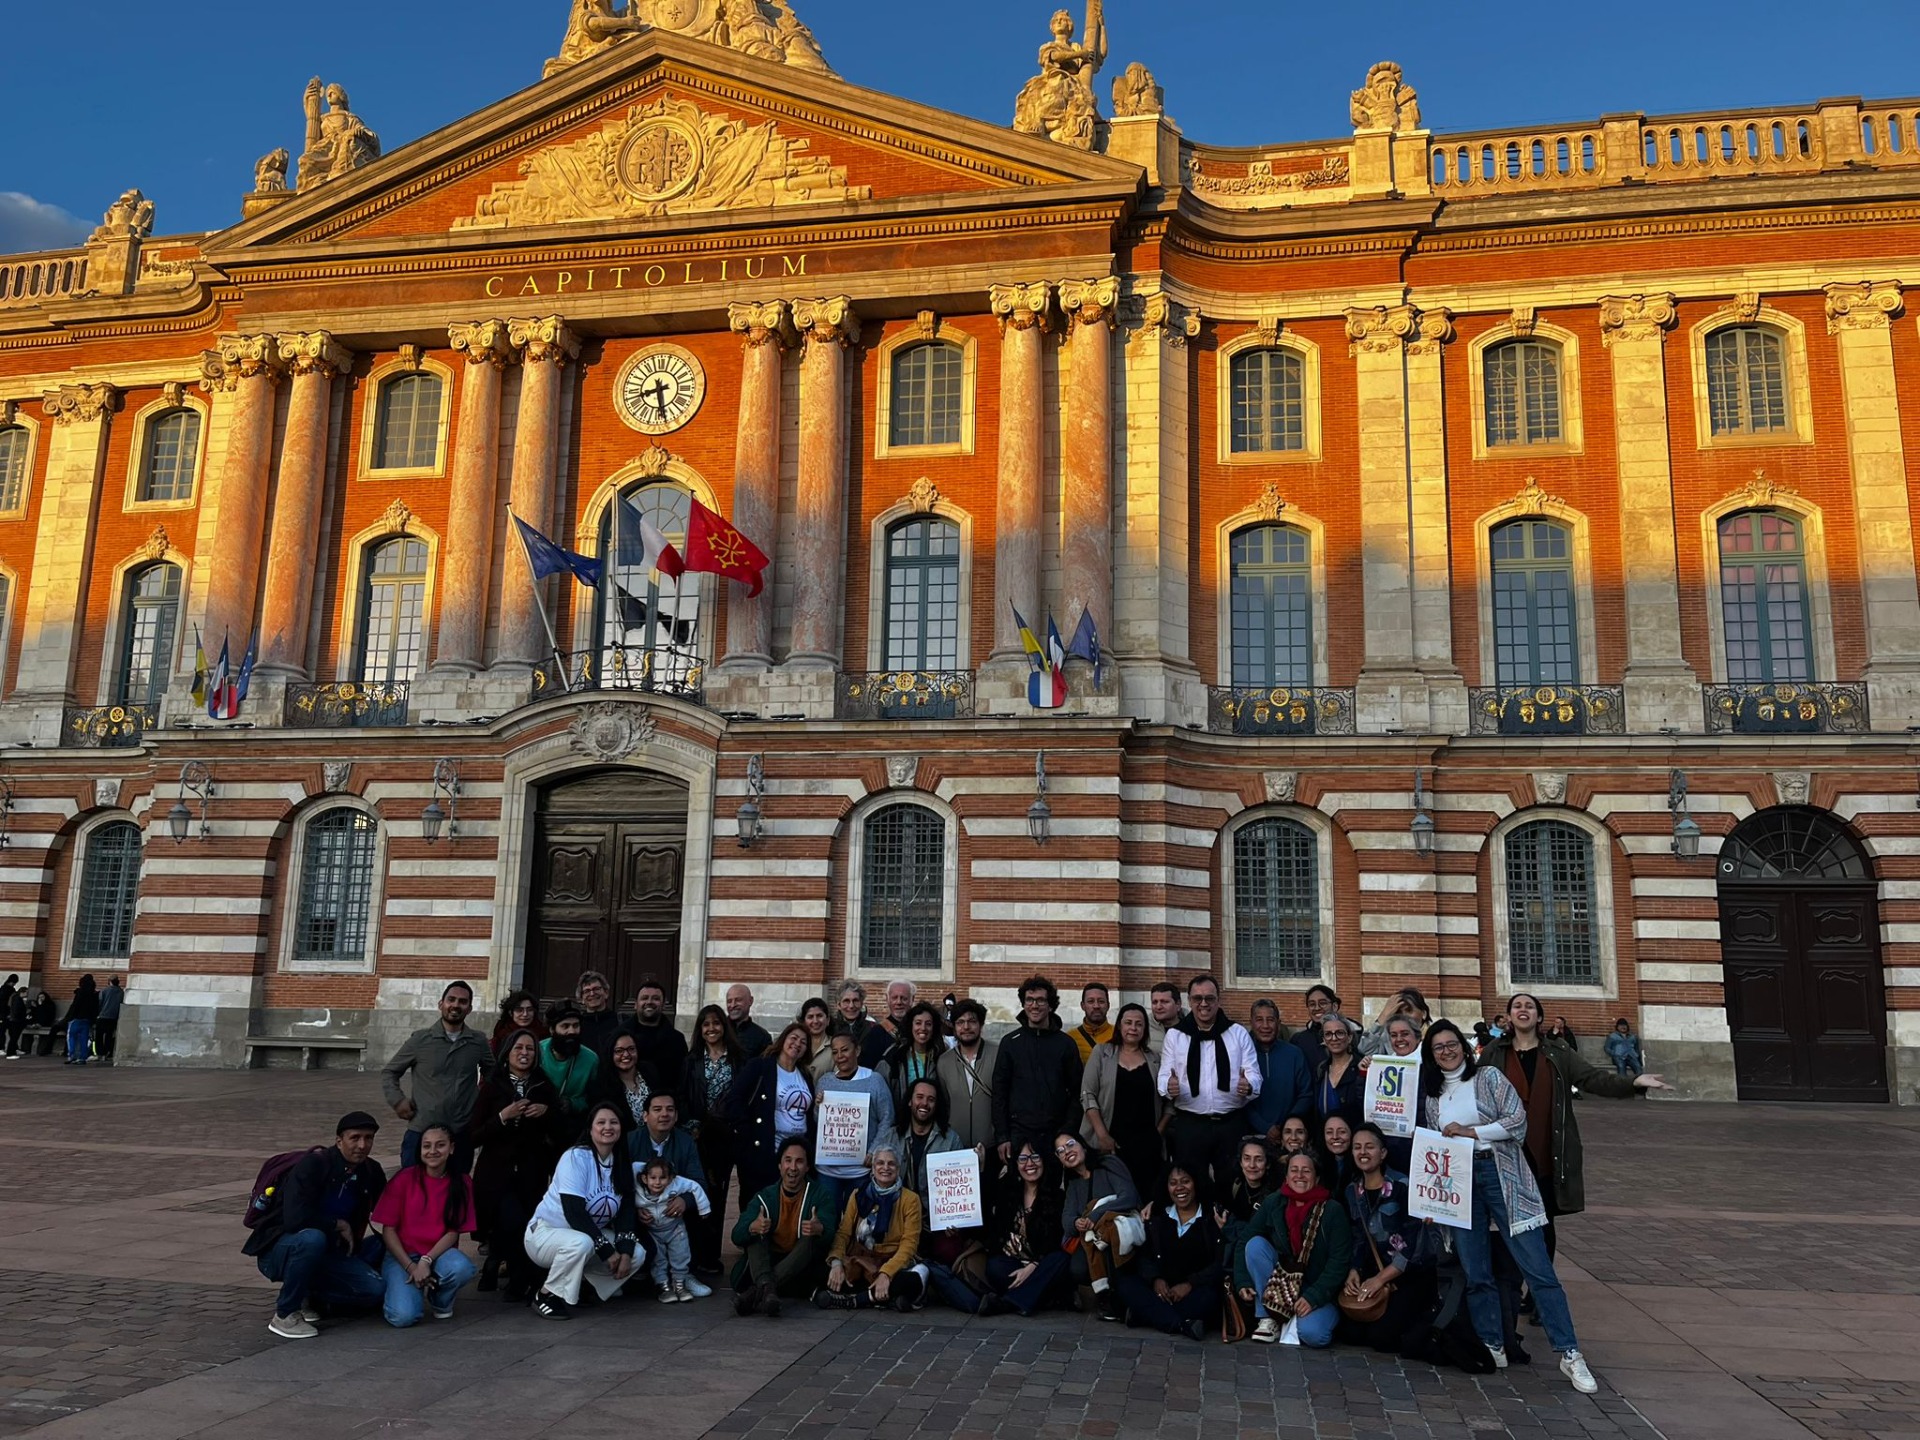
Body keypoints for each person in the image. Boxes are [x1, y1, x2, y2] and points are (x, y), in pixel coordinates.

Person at [1419, 1020, 1599, 1393]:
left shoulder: (1488, 1078)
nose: (1447, 1051)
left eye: (1452, 1044)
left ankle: (1569, 1353)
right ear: (1431, 1056)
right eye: (1438, 1047)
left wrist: (1473, 1132)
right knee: (1476, 1269)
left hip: (1503, 1177)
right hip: (1462, 1185)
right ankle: (1493, 1342)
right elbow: (1438, 1152)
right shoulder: (1433, 1099)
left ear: (1464, 1047)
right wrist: (1433, 1200)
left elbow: (1517, 1123)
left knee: (1537, 1269)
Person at [1479, 992, 1669, 1262]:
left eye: (1530, 1006)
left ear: (1539, 1016)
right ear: (1509, 1016)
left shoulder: (1559, 1052)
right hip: (1506, 1151)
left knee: (1543, 1221)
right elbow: (1474, 1092)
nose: (1523, 1010)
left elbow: (1593, 1078)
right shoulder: (1493, 1053)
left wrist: (1634, 1082)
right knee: (1509, 1222)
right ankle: (1512, 1287)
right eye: (1517, 1006)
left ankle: (1538, 1293)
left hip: (1545, 1149)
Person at [242, 1110, 387, 1339]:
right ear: (339, 1141)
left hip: (331, 1252)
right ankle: (285, 1314)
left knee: (375, 1287)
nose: (362, 1145)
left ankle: (312, 1294)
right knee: (313, 1238)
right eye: (355, 1138)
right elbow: (294, 1219)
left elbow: (388, 1211)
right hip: (283, 1249)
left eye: (368, 1138)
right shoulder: (313, 1165)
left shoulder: (371, 1171)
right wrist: (337, 1224)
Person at [469, 1028, 567, 1302]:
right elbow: (474, 1135)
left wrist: (546, 1113)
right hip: (496, 1172)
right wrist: (503, 1116)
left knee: (524, 1222)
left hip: (531, 1170)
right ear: (508, 1054)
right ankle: (519, 1279)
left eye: (530, 1049)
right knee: (511, 1220)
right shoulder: (492, 1086)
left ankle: (499, 1267)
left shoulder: (543, 1086)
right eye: (518, 1048)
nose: (524, 1054)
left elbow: (561, 1127)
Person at [525, 1101, 648, 1319]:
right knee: (582, 1242)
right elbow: (574, 1212)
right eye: (601, 1122)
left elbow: (626, 1212)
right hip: (545, 1234)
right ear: (590, 1128)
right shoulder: (575, 1157)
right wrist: (607, 1251)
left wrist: (625, 1251)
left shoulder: (620, 1162)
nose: (607, 1127)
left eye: (614, 1122)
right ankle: (546, 1294)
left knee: (637, 1253)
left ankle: (582, 1286)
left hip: (586, 1238)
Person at [1158, 975, 1260, 1202]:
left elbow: (1253, 1073)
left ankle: (1230, 1229)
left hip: (1230, 1122)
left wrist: (1249, 1084)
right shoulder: (1176, 1036)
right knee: (1191, 1182)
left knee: (1233, 1181)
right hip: (1190, 1123)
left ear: (1218, 1000)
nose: (1203, 1004)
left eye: (1209, 998)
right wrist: (1169, 1086)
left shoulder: (1237, 1033)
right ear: (1189, 1001)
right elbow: (1164, 1076)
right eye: (1197, 998)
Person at [1336, 1120, 1434, 1354]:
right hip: (1373, 1271)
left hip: (1405, 1274)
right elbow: (1359, 1236)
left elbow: (1413, 1243)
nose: (1363, 1152)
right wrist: (1354, 1271)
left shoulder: (1403, 1186)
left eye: (1369, 1146)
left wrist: (1380, 1279)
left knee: (1382, 1339)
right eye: (1357, 1147)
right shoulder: (1353, 1191)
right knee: (1349, 1333)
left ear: (1383, 1153)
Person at [1235, 1150, 1349, 1347]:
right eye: (1294, 1170)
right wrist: (1242, 1280)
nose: (1299, 1176)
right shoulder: (1274, 1202)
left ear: (1317, 1177)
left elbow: (1339, 1262)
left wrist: (1313, 1297)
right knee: (1255, 1246)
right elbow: (1245, 1240)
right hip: (1281, 1285)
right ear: (1286, 1176)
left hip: (1317, 1289)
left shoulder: (1333, 1210)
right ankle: (1268, 1317)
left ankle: (1308, 1318)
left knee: (1314, 1335)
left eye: (1306, 1171)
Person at [372, 1123, 478, 1327]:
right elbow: (389, 1230)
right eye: (426, 1146)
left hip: (438, 1254)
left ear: (452, 1148)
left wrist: (426, 1261)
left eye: (440, 1145)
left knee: (461, 1267)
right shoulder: (404, 1178)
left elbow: (453, 1232)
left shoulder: (462, 1182)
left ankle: (440, 1299)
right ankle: (402, 1288)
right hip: (403, 1255)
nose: (432, 1151)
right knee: (403, 1317)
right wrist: (411, 1266)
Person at [380, 980, 490, 1171]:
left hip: (460, 1132)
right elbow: (390, 1072)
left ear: (469, 1008)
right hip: (421, 1130)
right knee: (414, 1190)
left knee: (455, 1192)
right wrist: (397, 1101)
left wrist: (479, 1103)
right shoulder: (420, 1040)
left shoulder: (478, 1042)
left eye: (462, 1002)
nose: (456, 1005)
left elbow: (493, 1073)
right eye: (451, 1000)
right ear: (441, 1004)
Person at [1111, 1165, 1223, 1340]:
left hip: (1194, 1290)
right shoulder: (1157, 1218)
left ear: (1196, 1184)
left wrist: (1190, 1284)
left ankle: (1144, 1315)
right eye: (1173, 1183)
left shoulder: (1212, 1218)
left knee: (1209, 1298)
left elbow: (1219, 1263)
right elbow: (1144, 1256)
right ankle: (1180, 1324)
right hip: (1161, 1291)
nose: (1180, 1188)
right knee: (1126, 1284)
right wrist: (1155, 1279)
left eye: (1186, 1182)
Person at [959, 1141, 1068, 1317]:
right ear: (1015, 1165)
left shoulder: (1057, 1196)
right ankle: (1038, 1297)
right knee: (994, 1267)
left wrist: (1033, 1266)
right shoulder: (1007, 1192)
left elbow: (1057, 1239)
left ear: (1043, 1161)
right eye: (1023, 1158)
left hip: (1042, 1263)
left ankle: (1007, 1302)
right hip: (1014, 1264)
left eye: (1035, 1157)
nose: (1029, 1164)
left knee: (1061, 1259)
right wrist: (981, 1168)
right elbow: (984, 1210)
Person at [732, 1136, 836, 1316]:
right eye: (788, 1161)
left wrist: (820, 1228)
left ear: (808, 1167)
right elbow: (736, 1235)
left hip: (800, 1266)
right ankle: (768, 1290)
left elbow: (831, 1232)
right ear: (780, 1166)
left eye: (799, 1162)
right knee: (756, 1235)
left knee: (810, 1237)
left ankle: (757, 1292)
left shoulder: (820, 1195)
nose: (793, 1168)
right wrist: (752, 1227)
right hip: (769, 1261)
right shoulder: (764, 1196)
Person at [815, 1144, 926, 1311]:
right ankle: (883, 1299)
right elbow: (843, 1233)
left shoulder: (910, 1200)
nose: (885, 1168)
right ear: (873, 1169)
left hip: (892, 1261)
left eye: (891, 1164)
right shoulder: (858, 1194)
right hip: (861, 1261)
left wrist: (886, 1273)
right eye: (880, 1163)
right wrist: (837, 1263)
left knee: (912, 1280)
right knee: (821, 1269)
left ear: (898, 1168)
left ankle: (853, 1300)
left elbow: (909, 1245)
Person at [1079, 1001, 1167, 1204]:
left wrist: (1158, 1133)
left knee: (1145, 1199)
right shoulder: (1102, 1053)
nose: (1133, 1028)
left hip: (1146, 1145)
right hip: (1110, 1141)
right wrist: (1102, 1135)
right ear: (1119, 1025)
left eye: (1139, 1024)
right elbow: (1087, 1094)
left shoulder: (1155, 1059)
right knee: (1111, 1200)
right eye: (1128, 1023)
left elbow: (1169, 1103)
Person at [992, 976, 1084, 1163]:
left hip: (1056, 1134)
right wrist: (1003, 1136)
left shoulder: (1066, 1044)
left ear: (1050, 1005)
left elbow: (1077, 1092)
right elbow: (999, 1091)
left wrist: (1068, 1131)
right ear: (1024, 1004)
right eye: (1030, 1000)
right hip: (1019, 1134)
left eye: (1041, 1000)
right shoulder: (1010, 1043)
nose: (1035, 1005)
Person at [681, 1003, 741, 1277]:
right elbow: (684, 1095)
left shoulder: (738, 1059)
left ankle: (711, 1255)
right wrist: (691, 1124)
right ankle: (694, 1253)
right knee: (696, 1191)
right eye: (706, 1024)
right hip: (697, 1136)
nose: (711, 1029)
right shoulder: (692, 1060)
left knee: (718, 1195)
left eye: (716, 1023)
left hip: (725, 1137)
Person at [1056, 1131, 1140, 1318]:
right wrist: (1077, 1222)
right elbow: (1067, 1219)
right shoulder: (1073, 1184)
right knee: (1077, 1269)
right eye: (1060, 1150)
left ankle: (1120, 1303)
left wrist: (1096, 1214)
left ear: (1083, 1145)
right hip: (1090, 1238)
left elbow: (1128, 1196)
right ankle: (1105, 1298)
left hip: (1117, 1231)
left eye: (1070, 1144)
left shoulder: (1107, 1164)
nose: (1066, 1151)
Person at [813, 1031, 893, 1216]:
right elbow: (820, 1123)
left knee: (857, 1222)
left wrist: (874, 1151)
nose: (840, 1056)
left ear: (856, 1050)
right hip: (828, 1169)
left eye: (844, 1050)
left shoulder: (874, 1080)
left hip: (860, 1169)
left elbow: (887, 1118)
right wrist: (818, 1107)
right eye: (835, 1052)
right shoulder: (825, 1082)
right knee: (827, 1220)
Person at [730, 1021, 814, 1198]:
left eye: (803, 1042)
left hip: (795, 1156)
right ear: (783, 1040)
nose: (797, 1044)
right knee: (758, 1209)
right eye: (794, 1038)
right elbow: (735, 1099)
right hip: (764, 1152)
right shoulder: (760, 1066)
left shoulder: (805, 1075)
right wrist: (746, 1133)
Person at [884, 1077, 965, 1226]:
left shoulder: (951, 1139)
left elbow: (960, 1186)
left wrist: (954, 1218)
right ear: (910, 1101)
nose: (925, 1103)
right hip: (896, 1214)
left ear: (936, 1105)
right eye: (919, 1097)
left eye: (931, 1099)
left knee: (948, 1248)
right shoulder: (891, 1136)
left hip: (935, 1217)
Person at [636, 1158, 712, 1302]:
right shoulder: (638, 1192)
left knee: (681, 1255)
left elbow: (695, 1186)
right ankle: (663, 1286)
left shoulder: (676, 1185)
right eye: (653, 1178)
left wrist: (704, 1209)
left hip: (675, 1229)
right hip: (653, 1232)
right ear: (644, 1178)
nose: (657, 1182)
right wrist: (637, 1211)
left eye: (663, 1178)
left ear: (671, 1178)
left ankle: (679, 1284)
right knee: (658, 1260)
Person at [1246, 998, 1312, 1148]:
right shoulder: (1243, 1055)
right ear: (1251, 1022)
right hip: (1251, 1137)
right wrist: (1264, 1127)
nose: (1265, 1026)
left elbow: (1306, 1094)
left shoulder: (1294, 1054)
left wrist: (1285, 1125)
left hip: (1288, 1137)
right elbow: (1239, 1098)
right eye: (1259, 1020)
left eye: (1270, 1020)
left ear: (1278, 1023)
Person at [935, 997, 997, 1153]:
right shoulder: (944, 1062)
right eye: (960, 1022)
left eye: (972, 1021)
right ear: (954, 1027)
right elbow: (944, 1104)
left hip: (992, 1146)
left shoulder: (998, 1054)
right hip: (956, 1147)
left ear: (981, 1024)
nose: (966, 1027)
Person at [881, 1002, 946, 1115]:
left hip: (931, 1122)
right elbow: (882, 1094)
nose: (923, 1028)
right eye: (918, 1023)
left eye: (928, 1024)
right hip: (900, 1122)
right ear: (910, 1026)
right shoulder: (894, 1056)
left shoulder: (940, 1056)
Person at [622, 976, 688, 1081]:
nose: (649, 1002)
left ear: (663, 1006)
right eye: (644, 998)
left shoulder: (676, 1040)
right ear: (635, 1005)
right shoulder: (620, 1036)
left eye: (656, 998)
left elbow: (683, 1078)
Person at [539, 1004, 601, 1116]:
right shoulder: (537, 1051)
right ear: (552, 1030)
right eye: (565, 1026)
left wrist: (573, 1104)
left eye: (576, 1025)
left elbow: (594, 1098)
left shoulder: (591, 1059)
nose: (571, 1031)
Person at [1311, 1014, 1365, 1130]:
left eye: (1339, 1033)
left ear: (1349, 1038)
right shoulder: (1321, 1070)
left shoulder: (1362, 1067)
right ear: (1324, 1040)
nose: (1334, 1038)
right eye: (1328, 1034)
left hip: (1356, 1140)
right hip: (1326, 1140)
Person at [599, 1031, 662, 1130]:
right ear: (611, 1053)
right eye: (619, 1051)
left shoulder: (650, 1072)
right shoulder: (603, 1084)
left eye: (631, 1049)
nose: (626, 1054)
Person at [1289, 985, 1356, 1074]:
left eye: (1323, 1003)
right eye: (1312, 1004)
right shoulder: (1298, 1040)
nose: (1317, 1008)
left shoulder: (1352, 1035)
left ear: (1335, 1006)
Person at [860, 979, 916, 1070]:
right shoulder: (876, 1033)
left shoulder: (919, 1029)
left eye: (904, 998)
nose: (899, 1002)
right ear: (887, 999)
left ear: (912, 999)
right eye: (894, 998)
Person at [1359, 988, 1430, 1058]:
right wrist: (1383, 1016)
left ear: (1424, 1014)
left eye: (1409, 1011)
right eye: (1399, 1012)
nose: (1404, 1016)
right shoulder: (1388, 1038)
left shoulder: (1434, 1036)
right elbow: (1364, 1049)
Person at [574, 971, 622, 1067]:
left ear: (606, 993)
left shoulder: (621, 1021)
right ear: (582, 999)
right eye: (587, 991)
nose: (592, 993)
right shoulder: (576, 1024)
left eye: (596, 989)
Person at [1070, 982, 1113, 1064]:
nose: (1096, 1006)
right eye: (1091, 1001)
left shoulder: (1119, 1035)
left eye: (1101, 1001)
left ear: (1108, 1005)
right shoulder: (1070, 1038)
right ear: (1083, 1006)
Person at [725, 983, 772, 1058]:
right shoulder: (718, 1030)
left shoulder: (762, 1037)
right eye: (729, 1001)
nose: (733, 1005)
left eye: (738, 1000)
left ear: (750, 1001)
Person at [830, 980, 876, 1057]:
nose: (851, 1006)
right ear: (838, 1005)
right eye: (846, 1001)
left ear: (861, 1004)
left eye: (855, 1000)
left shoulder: (872, 1029)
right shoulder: (830, 1029)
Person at [62, 973, 99, 1065]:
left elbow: (75, 1006)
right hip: (87, 1020)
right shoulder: (94, 994)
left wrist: (69, 1017)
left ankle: (72, 1055)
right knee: (84, 1039)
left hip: (76, 1018)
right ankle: (82, 1057)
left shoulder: (79, 993)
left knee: (71, 1037)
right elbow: (95, 1008)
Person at [798, 996, 836, 1081]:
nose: (815, 1021)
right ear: (804, 1022)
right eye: (810, 1017)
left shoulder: (836, 1046)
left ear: (828, 1020)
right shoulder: (797, 1045)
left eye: (819, 1016)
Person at [1319, 1113, 1356, 1193]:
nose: (1335, 1137)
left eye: (1342, 1132)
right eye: (1329, 1132)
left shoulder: (1361, 1166)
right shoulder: (1317, 1165)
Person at [93, 975, 124, 1064]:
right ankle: (107, 1053)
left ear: (109, 981)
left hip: (103, 1016)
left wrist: (97, 1015)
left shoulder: (104, 991)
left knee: (98, 1036)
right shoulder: (121, 992)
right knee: (109, 1036)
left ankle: (100, 1053)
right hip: (113, 1017)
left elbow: (100, 1003)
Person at [1147, 981, 1184, 1051]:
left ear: (1178, 1004)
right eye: (1155, 1002)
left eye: (1164, 1002)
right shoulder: (1143, 1027)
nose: (1158, 1007)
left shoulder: (1193, 1026)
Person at [1, 977, 24, 1059]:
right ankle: (2, 1048)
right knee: (3, 1031)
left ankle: (14, 1048)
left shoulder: (11, 990)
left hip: (8, 1014)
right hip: (5, 1014)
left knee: (12, 1033)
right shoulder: (5, 990)